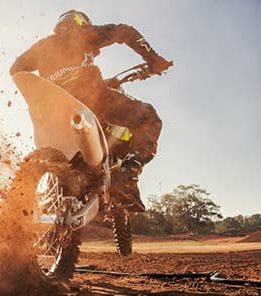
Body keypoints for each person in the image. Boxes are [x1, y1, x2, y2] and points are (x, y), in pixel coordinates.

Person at [10, 10, 172, 212]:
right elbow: (124, 31)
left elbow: (15, 69)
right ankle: (126, 176)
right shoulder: (83, 34)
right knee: (149, 118)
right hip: (91, 100)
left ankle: (15, 212)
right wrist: (154, 59)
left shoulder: (43, 45)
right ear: (82, 24)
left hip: (49, 108)